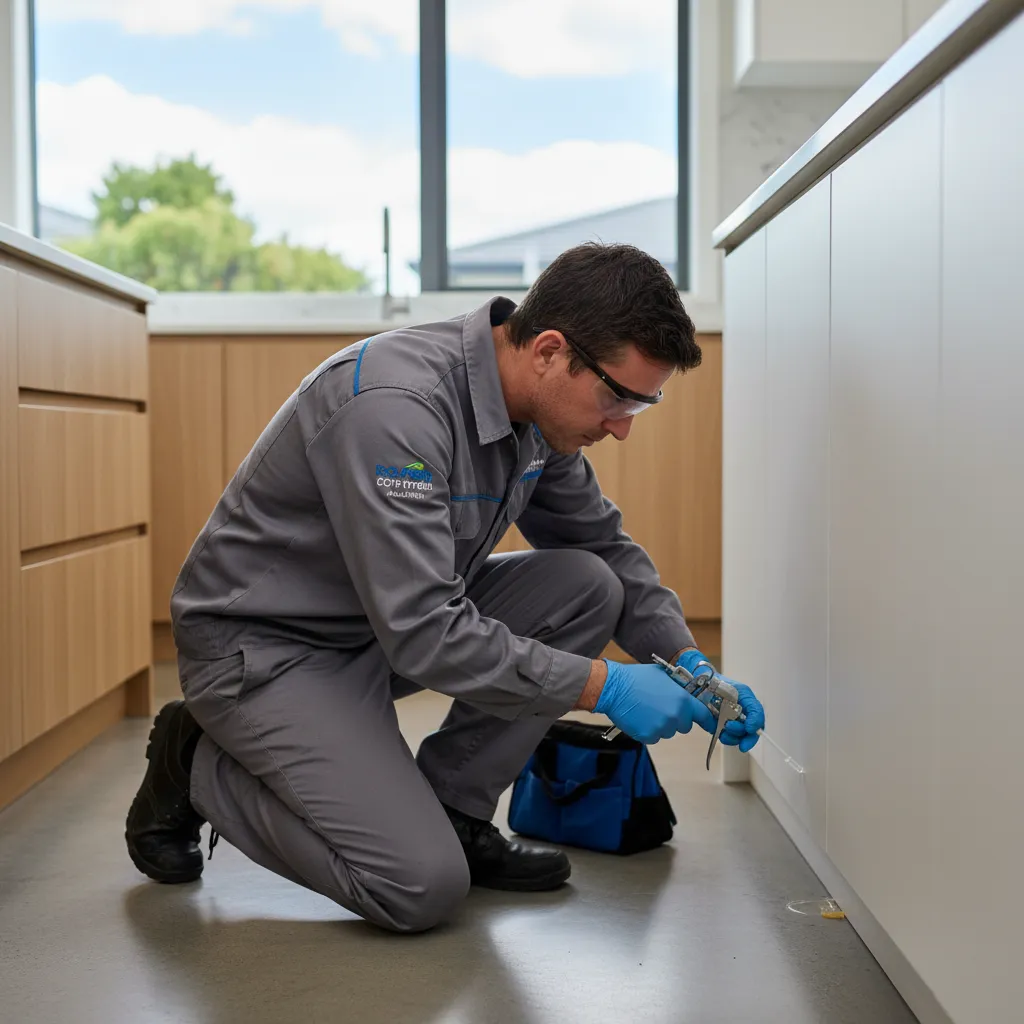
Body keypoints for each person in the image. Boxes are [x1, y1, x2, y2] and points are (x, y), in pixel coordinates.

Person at [125, 242, 765, 933]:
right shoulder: (396, 408)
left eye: (645, 403)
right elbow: (428, 633)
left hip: (378, 632)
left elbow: (603, 544)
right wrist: (606, 686)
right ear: (550, 350)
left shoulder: (541, 420)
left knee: (588, 584)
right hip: (269, 652)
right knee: (415, 887)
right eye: (616, 396)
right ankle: (198, 760)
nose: (622, 427)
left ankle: (453, 812)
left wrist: (691, 664)